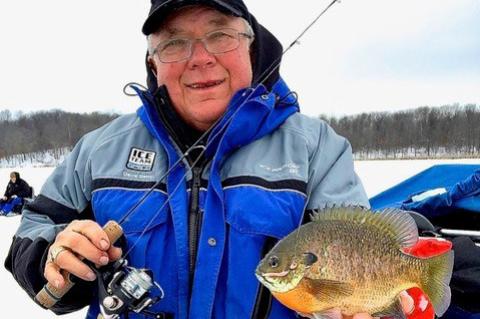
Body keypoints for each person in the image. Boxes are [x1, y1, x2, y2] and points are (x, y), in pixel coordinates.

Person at [4, 1, 414, 318]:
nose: (200, 58)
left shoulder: (318, 149)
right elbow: (34, 228)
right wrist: (54, 262)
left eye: (220, 36)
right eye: (174, 42)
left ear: (252, 47)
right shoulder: (98, 149)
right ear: (153, 62)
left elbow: (358, 249)